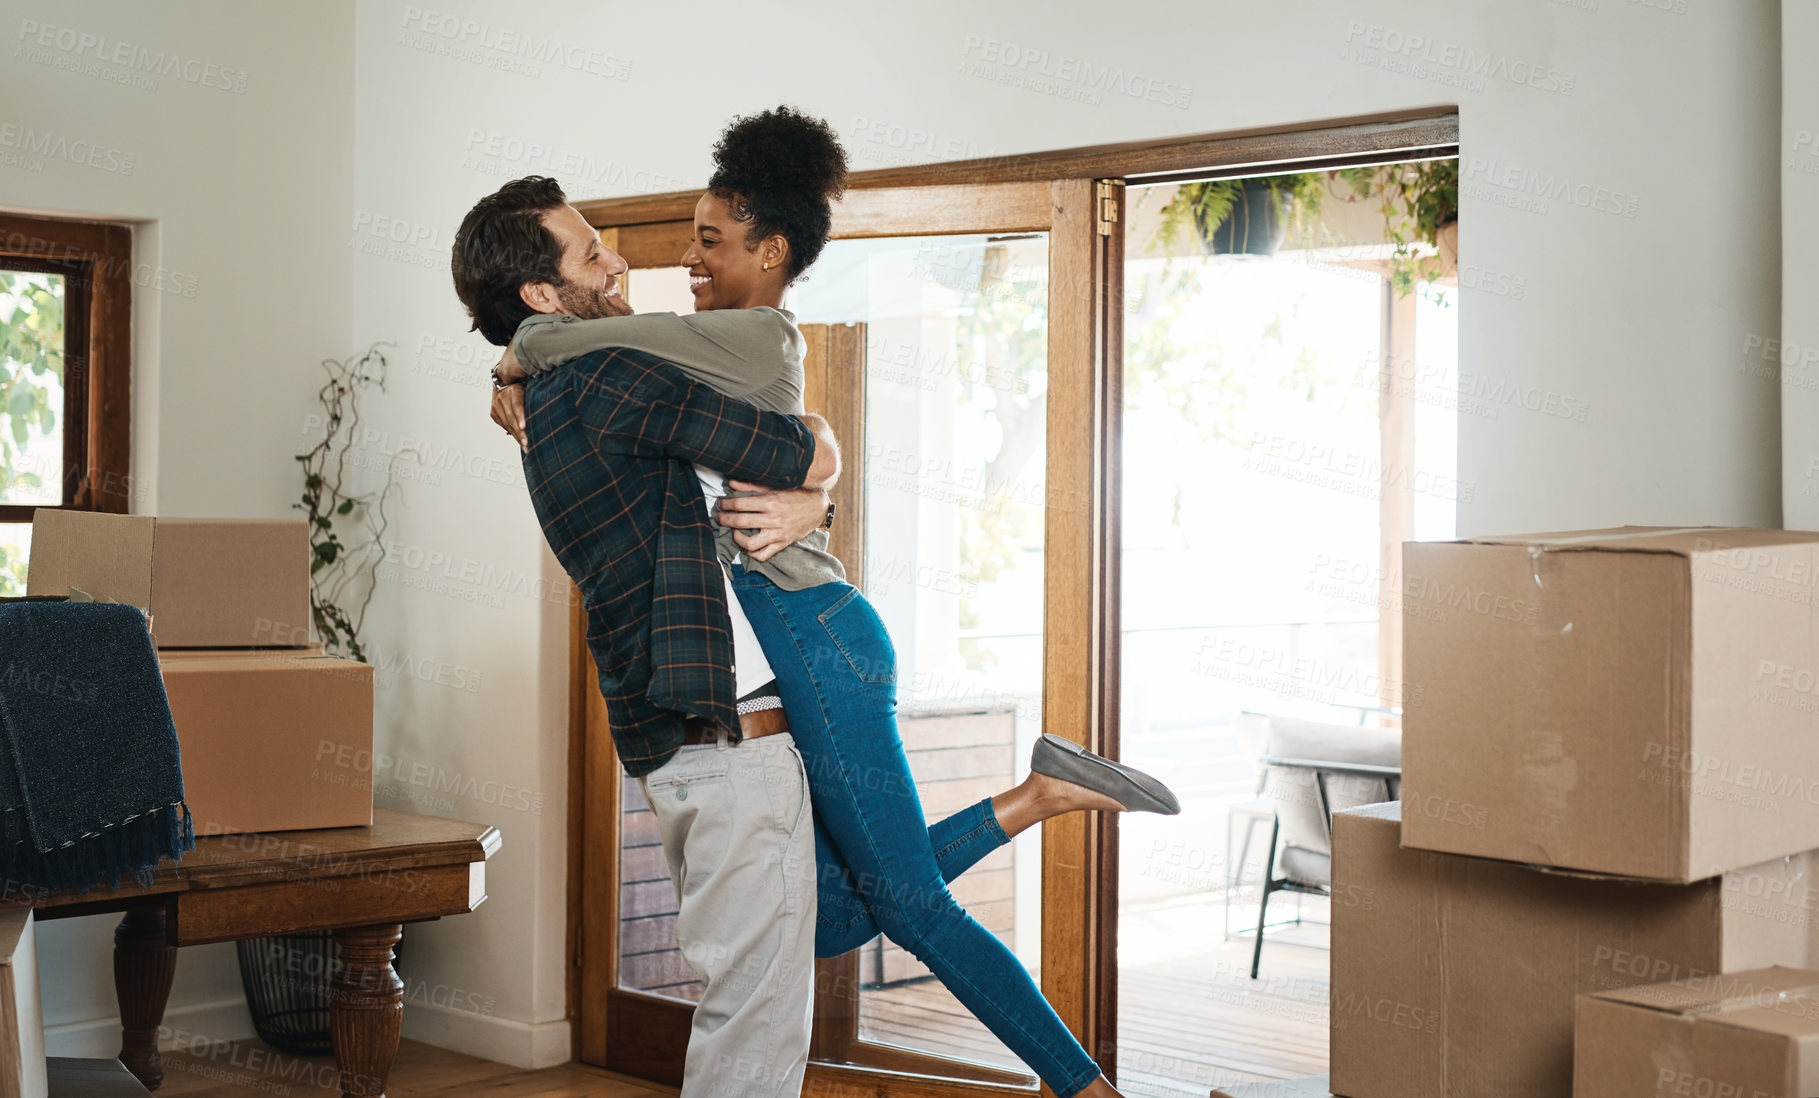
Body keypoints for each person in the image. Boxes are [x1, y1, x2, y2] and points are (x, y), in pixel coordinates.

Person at [486, 107, 1177, 1098]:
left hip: (813, 634)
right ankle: (1041, 792)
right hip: (806, 631)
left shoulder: (742, 331)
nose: (688, 258)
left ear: (771, 252)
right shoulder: (706, 344)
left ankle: (1090, 1091)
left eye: (712, 240)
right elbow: (633, 392)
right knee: (838, 915)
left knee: (915, 911)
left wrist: (517, 353)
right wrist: (517, 363)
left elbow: (600, 347)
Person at [452, 175, 833, 1098]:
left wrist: (510, 363)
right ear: (541, 297)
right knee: (752, 1036)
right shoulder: (611, 377)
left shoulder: (545, 394)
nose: (617, 258)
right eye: (590, 252)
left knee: (740, 1012)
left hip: (679, 741)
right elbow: (796, 451)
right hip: (733, 745)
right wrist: (819, 471)